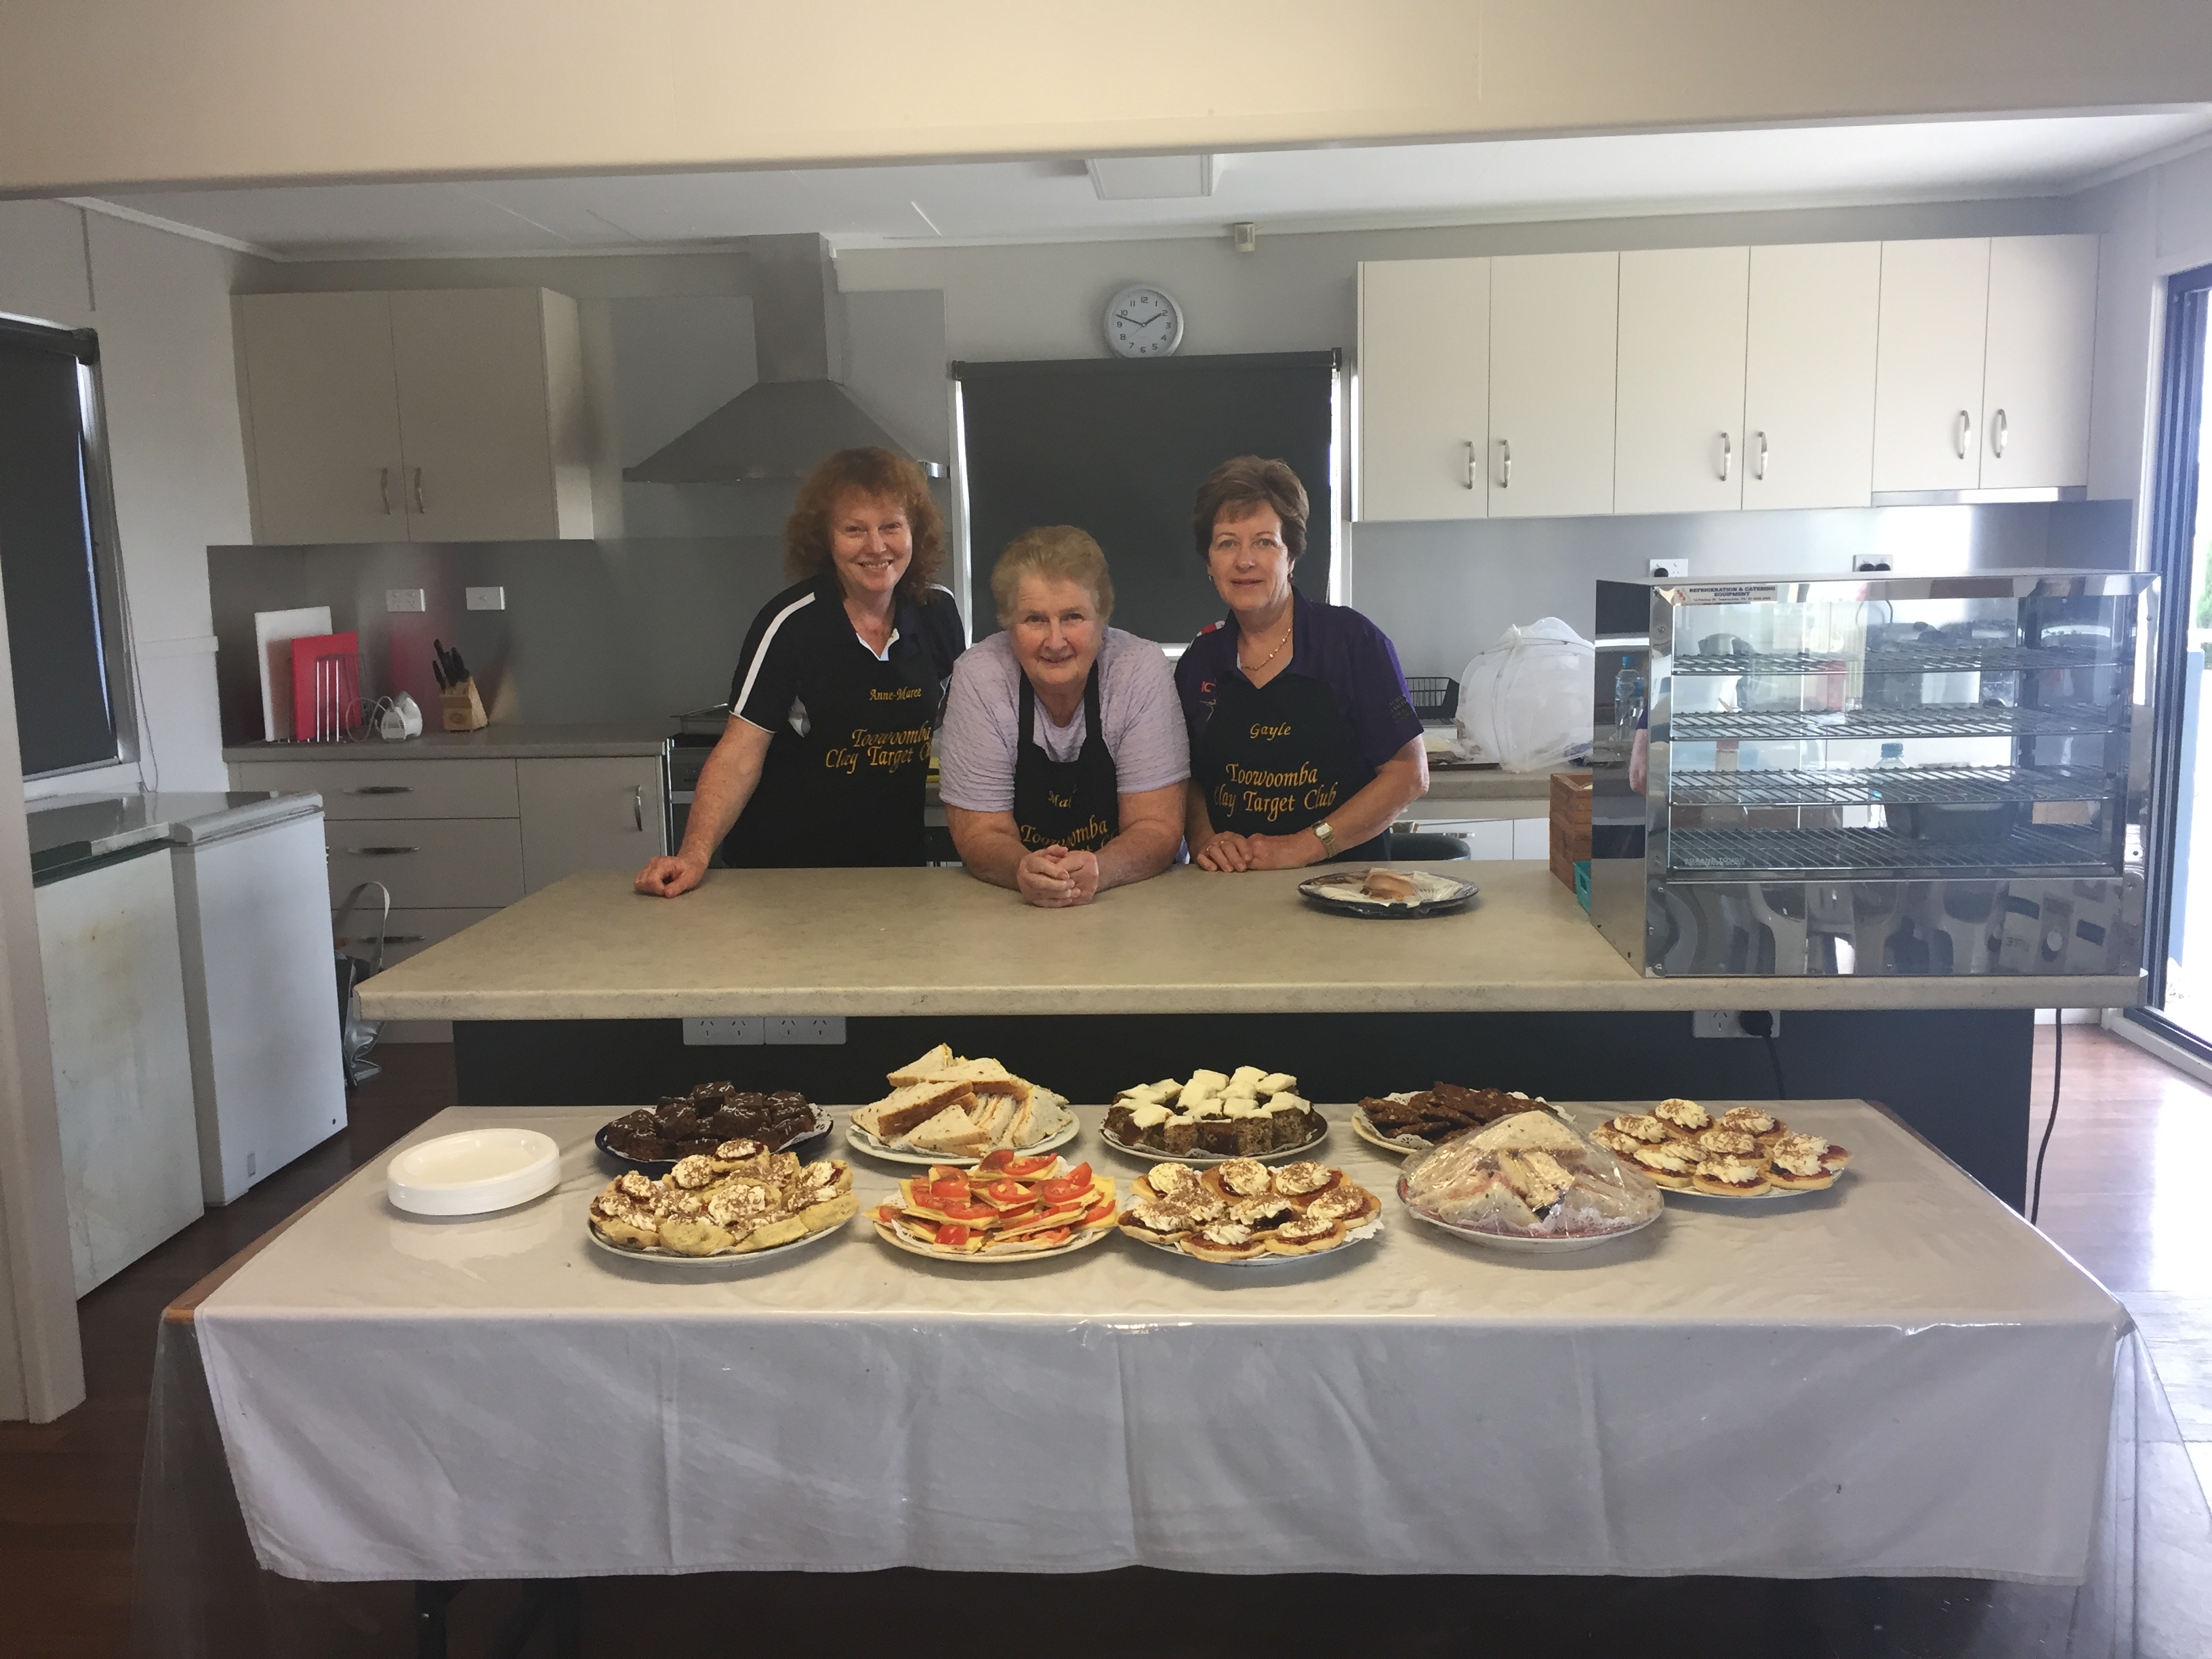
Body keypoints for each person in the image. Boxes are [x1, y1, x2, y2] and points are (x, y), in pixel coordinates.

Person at [635, 449, 964, 894]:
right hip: (784, 873)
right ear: (825, 539)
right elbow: (740, 753)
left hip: (895, 869)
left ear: (915, 532)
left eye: (891, 526)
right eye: (854, 530)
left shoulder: (937, 612)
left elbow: (953, 713)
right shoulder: (791, 624)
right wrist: (694, 854)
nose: (876, 546)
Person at [1175, 455, 1428, 871]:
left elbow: (1408, 774)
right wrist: (1205, 840)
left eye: (1264, 542)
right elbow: (1187, 780)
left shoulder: (1353, 643)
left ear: (1291, 555)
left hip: (1344, 887)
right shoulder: (1199, 662)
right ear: (1209, 562)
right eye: (1227, 543)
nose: (1244, 561)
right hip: (1230, 891)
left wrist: (1304, 846)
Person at [937, 526, 1188, 907]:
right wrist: (1022, 869)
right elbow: (980, 833)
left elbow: (1157, 826)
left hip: (1130, 900)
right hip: (1015, 909)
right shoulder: (979, 677)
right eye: (1034, 619)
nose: (1055, 642)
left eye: (1073, 617)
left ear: (1102, 617)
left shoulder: (1138, 669)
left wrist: (1101, 869)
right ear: (1007, 623)